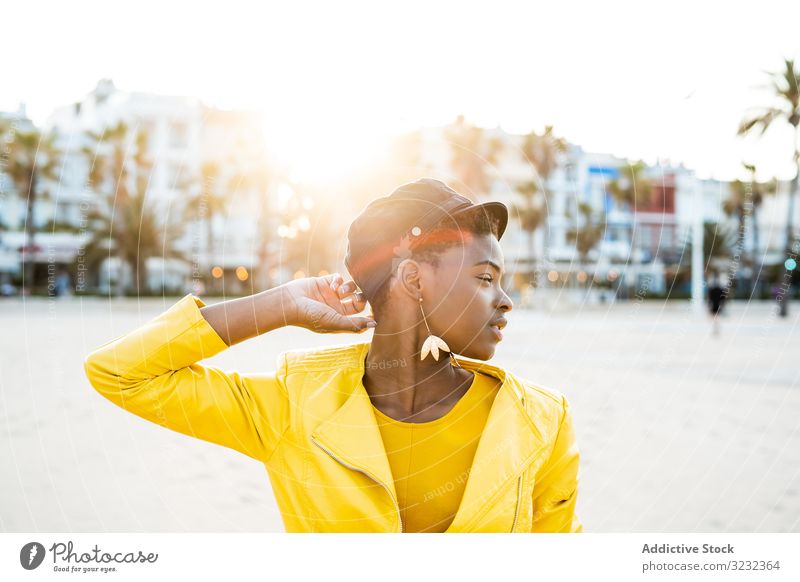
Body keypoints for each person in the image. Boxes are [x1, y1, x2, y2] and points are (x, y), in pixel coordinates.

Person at [83, 177, 583, 533]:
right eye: (484, 278)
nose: (505, 298)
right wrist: (278, 305)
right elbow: (120, 373)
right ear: (413, 279)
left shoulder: (540, 420)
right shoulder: (291, 406)